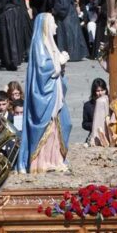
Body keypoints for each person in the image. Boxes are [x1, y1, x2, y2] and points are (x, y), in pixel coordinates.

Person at [17, 14, 71, 173]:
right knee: (47, 125)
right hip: (45, 95)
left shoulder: (50, 44)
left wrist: (61, 64)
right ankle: (41, 162)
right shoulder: (40, 45)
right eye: (53, 23)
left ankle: (55, 159)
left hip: (54, 93)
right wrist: (59, 61)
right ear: (46, 26)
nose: (55, 26)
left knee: (62, 124)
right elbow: (43, 69)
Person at [81, 78, 111, 146]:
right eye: (98, 91)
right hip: (95, 135)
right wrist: (95, 125)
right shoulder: (88, 105)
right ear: (94, 92)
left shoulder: (110, 103)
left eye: (102, 90)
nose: (100, 93)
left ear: (106, 90)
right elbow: (84, 124)